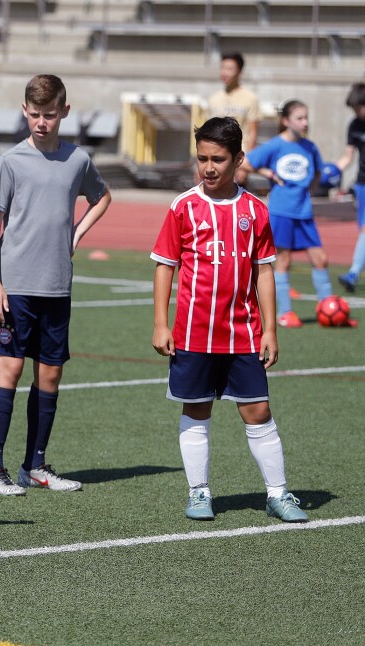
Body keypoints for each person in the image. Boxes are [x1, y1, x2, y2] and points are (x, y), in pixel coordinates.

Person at [151, 116, 308, 523]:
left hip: (242, 333)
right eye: (201, 158)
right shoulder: (183, 206)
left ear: (239, 159)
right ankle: (199, 492)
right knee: (196, 409)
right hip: (192, 332)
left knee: (257, 411)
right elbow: (165, 266)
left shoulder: (255, 210)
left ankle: (278, 494)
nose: (208, 167)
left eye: (218, 159)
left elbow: (265, 271)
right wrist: (160, 322)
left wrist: (270, 329)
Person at [0, 74, 111, 496]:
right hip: (15, 284)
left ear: (64, 112)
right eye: (34, 114)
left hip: (57, 285)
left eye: (49, 115)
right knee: (11, 367)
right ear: (24, 111)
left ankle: (35, 466)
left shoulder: (78, 160)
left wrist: (76, 234)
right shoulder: (10, 161)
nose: (41, 122)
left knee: (50, 375)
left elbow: (102, 197)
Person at [243, 99, 345, 328]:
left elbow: (318, 172)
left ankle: (327, 307)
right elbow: (246, 162)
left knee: (320, 259)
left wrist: (311, 188)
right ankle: (285, 313)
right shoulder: (275, 145)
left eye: (306, 117)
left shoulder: (310, 147)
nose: (305, 122)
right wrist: (268, 172)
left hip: (304, 212)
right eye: (300, 118)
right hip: (281, 212)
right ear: (286, 121)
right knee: (284, 261)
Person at [203, 52, 261, 186]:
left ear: (239, 71)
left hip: (237, 161)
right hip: (215, 161)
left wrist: (245, 166)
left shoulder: (250, 98)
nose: (225, 73)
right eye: (223, 68)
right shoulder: (213, 99)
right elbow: (207, 133)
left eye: (230, 69)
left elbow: (252, 133)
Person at [334, 83, 365, 293]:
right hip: (362, 183)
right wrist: (331, 171)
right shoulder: (355, 125)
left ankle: (353, 273)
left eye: (357, 107)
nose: (355, 112)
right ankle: (353, 273)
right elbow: (347, 156)